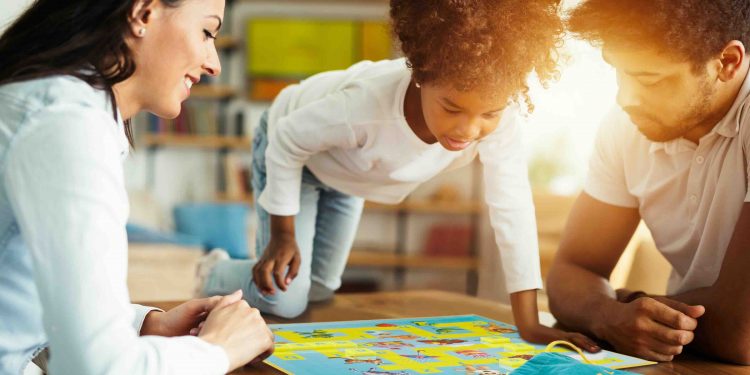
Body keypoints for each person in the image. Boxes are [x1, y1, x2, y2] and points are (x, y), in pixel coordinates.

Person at [197, 0, 599, 352]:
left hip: (348, 174)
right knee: (287, 301)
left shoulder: (501, 122)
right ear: (422, 74)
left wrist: (529, 321)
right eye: (452, 107)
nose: (469, 130)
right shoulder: (366, 107)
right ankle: (213, 270)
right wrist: (283, 236)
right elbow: (286, 140)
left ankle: (265, 274)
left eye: (489, 114)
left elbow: (512, 208)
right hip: (292, 150)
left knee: (318, 289)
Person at [0, 0, 274, 373]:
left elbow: (19, 304)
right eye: (206, 31)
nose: (215, 64)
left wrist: (145, 324)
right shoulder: (65, 124)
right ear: (143, 13)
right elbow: (96, 367)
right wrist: (219, 350)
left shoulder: (67, 109)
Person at [546, 0, 750, 364]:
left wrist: (625, 300)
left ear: (728, 62)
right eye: (619, 72)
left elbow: (742, 333)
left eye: (649, 80)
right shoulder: (626, 127)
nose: (625, 98)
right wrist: (608, 316)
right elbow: (570, 273)